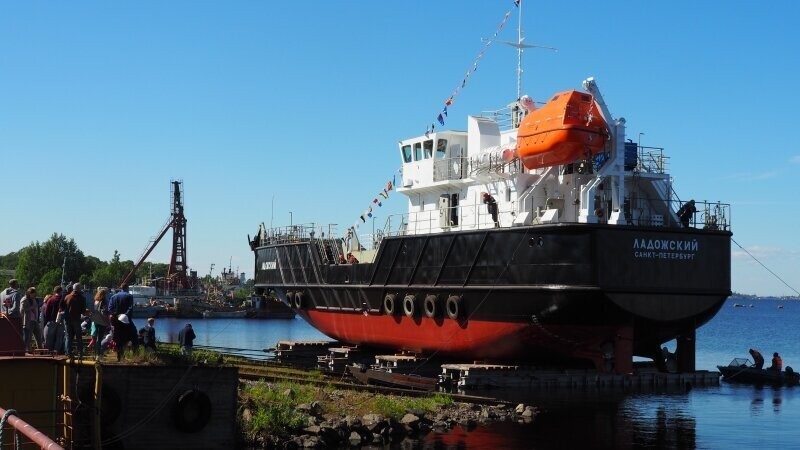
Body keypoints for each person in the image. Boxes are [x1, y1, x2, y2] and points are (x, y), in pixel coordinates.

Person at [109, 285, 138, 352]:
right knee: (134, 334)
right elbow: (130, 308)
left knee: (118, 336)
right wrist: (125, 315)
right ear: (127, 288)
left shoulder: (113, 296)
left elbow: (110, 308)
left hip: (116, 320)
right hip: (126, 319)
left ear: (120, 288)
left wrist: (116, 315)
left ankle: (119, 353)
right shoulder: (129, 296)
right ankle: (135, 352)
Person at [63, 283, 88, 358]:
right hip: (76, 319)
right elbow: (83, 311)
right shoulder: (81, 298)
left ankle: (68, 353)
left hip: (67, 320)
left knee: (68, 337)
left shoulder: (67, 297)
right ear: (79, 289)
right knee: (79, 337)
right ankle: (80, 353)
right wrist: (87, 312)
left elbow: (64, 307)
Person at [20, 287, 43, 352]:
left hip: (35, 320)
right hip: (28, 321)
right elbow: (22, 310)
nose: (35, 295)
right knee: (28, 337)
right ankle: (27, 351)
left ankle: (41, 350)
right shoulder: (24, 299)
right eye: (34, 294)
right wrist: (31, 308)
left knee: (38, 336)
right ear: (30, 293)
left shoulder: (35, 299)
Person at [42, 286, 65, 353]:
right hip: (61, 321)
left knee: (49, 338)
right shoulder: (64, 299)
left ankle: (49, 352)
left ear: (55, 291)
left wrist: (47, 321)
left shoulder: (51, 299)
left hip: (52, 321)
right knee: (59, 338)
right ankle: (56, 352)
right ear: (61, 291)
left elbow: (47, 312)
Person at [91, 288, 109, 359]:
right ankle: (99, 355)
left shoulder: (96, 300)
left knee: (95, 338)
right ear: (104, 294)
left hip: (95, 320)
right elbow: (104, 311)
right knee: (100, 338)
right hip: (102, 320)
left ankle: (96, 353)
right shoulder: (104, 301)